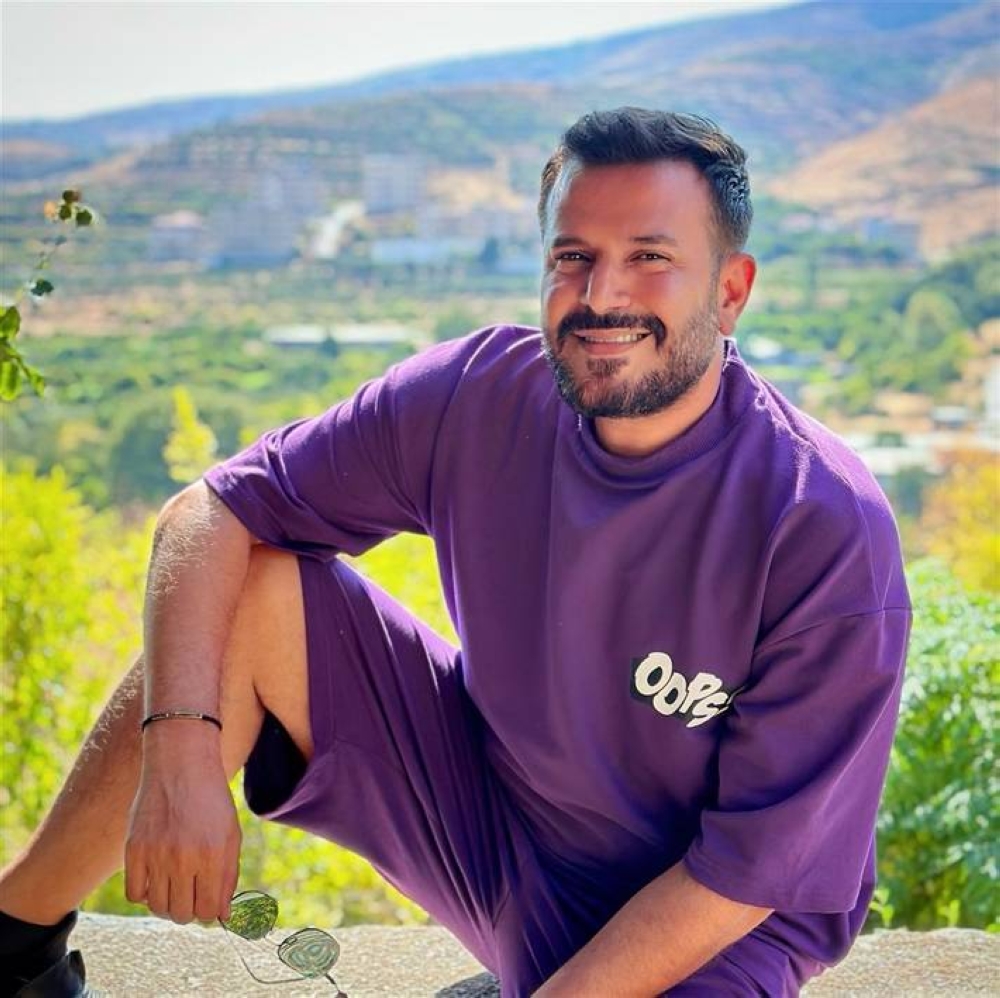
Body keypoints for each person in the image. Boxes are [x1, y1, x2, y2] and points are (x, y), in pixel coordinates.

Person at [0, 107, 910, 998]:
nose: (602, 296)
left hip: (707, 930)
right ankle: (11, 939)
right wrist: (181, 755)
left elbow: (744, 876)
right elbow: (209, 511)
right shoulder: (478, 397)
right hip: (495, 830)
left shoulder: (821, 524)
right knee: (247, 583)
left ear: (730, 290)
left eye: (650, 258)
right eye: (573, 257)